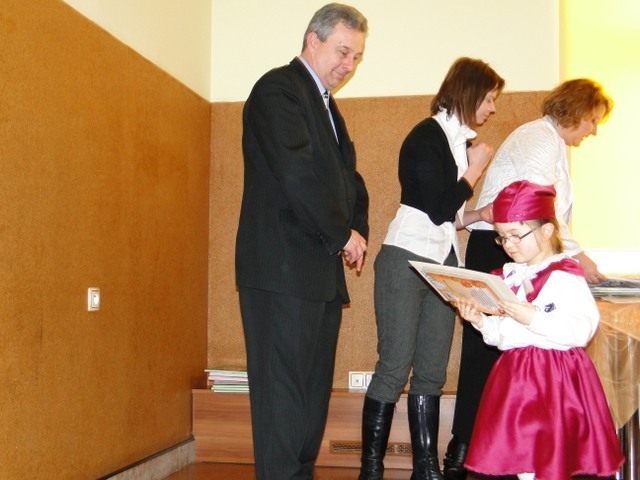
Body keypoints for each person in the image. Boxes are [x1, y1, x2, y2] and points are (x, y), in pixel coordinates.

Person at [444, 78, 614, 479]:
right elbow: (537, 207)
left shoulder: (550, 144)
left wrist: (560, 264)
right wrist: (485, 320)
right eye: (592, 119)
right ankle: (466, 452)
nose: (592, 129)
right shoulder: (537, 139)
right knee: (486, 364)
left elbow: (573, 326)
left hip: (533, 249)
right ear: (577, 111)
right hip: (517, 244)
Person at [235, 4, 370, 479]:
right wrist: (342, 233)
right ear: (313, 40)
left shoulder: (329, 108)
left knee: (310, 403)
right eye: (343, 51)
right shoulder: (278, 89)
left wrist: (357, 231)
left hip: (318, 274)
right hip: (282, 271)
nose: (349, 64)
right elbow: (296, 174)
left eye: (357, 57)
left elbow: (350, 181)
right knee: (283, 403)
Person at [359, 57, 505, 480]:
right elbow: (436, 207)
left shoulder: (460, 143)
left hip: (444, 266)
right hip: (405, 260)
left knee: (432, 373)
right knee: (393, 367)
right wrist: (475, 169)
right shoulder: (425, 135)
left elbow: (449, 217)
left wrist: (478, 215)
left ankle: (425, 468)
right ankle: (371, 470)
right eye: (489, 99)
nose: (492, 108)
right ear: (469, 93)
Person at [456, 180, 624, 480]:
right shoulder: (511, 276)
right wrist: (481, 322)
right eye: (502, 237)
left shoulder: (565, 275)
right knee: (524, 458)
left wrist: (533, 317)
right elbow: (506, 335)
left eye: (516, 235)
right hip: (517, 378)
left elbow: (580, 331)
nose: (509, 244)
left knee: (550, 455)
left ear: (546, 231)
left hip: (554, 381)